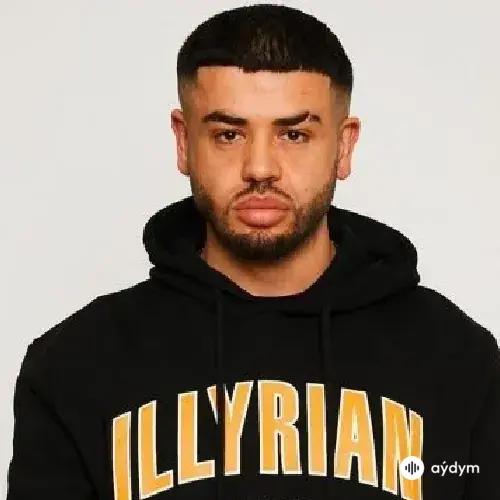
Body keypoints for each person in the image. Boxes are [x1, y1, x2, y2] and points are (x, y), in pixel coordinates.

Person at [6, 4, 499, 500]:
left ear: (344, 146)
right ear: (183, 142)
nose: (260, 167)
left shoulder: (459, 362)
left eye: (294, 134)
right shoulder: (74, 366)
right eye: (228, 134)